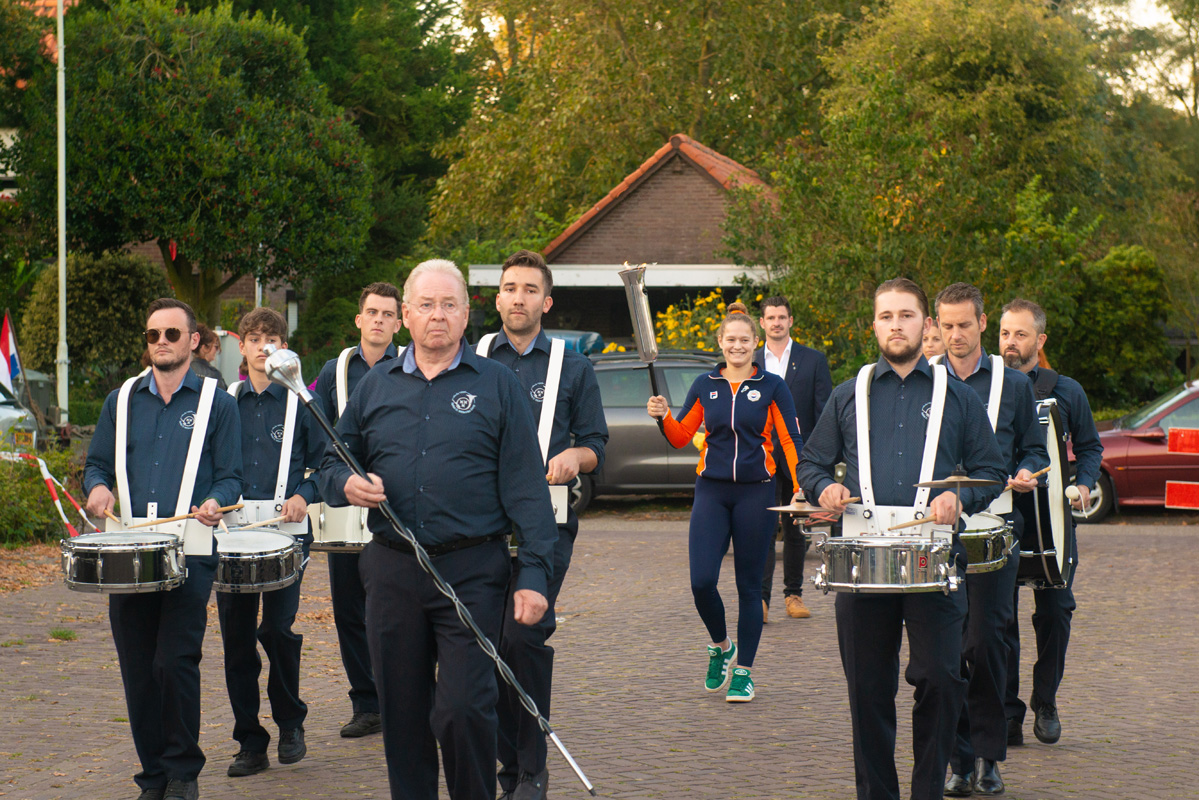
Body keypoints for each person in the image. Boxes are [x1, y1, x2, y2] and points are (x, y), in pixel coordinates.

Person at [318, 260, 558, 800]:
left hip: (472, 572)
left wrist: (534, 575)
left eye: (449, 305)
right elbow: (333, 460)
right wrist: (345, 484)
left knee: (464, 709)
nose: (437, 315)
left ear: (466, 314)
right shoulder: (375, 386)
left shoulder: (497, 385)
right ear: (406, 315)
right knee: (401, 712)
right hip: (392, 570)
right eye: (426, 305)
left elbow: (528, 489)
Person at [797, 278, 1006, 800]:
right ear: (874, 325)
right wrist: (824, 488)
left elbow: (991, 471)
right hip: (861, 565)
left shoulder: (957, 397)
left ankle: (927, 791)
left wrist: (959, 498)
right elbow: (811, 463)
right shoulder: (849, 393)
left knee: (941, 678)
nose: (896, 325)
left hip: (933, 560)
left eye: (907, 315)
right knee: (867, 690)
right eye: (886, 316)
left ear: (925, 324)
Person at [84, 298, 242, 800]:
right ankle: (152, 775)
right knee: (137, 670)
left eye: (172, 334)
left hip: (190, 551)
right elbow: (96, 465)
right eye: (153, 335)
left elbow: (231, 477)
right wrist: (98, 488)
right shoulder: (121, 401)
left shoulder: (220, 403)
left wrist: (216, 501)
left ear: (193, 340)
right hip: (128, 555)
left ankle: (182, 772)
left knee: (173, 662)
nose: (162, 342)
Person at [477, 249, 608, 800]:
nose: (519, 298)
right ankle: (504, 765)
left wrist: (575, 456)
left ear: (546, 303)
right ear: (497, 298)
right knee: (484, 644)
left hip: (546, 524)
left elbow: (596, 445)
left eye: (531, 290)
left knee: (523, 636)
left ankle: (531, 769)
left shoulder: (573, 367)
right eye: (510, 288)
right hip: (479, 524)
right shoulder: (471, 358)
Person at [647, 302, 803, 703]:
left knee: (750, 587)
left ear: (755, 342)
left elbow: (789, 440)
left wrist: (801, 485)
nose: (737, 346)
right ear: (720, 342)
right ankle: (720, 646)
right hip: (711, 492)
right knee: (701, 582)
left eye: (744, 340)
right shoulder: (705, 385)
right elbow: (681, 436)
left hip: (757, 492)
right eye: (730, 339)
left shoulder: (772, 386)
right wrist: (663, 416)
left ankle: (744, 672)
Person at [933, 284, 1048, 797]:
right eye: (946, 325)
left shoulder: (1014, 384)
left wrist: (1026, 470)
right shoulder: (923, 380)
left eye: (964, 324)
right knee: (945, 651)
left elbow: (1035, 449)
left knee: (985, 643)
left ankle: (988, 756)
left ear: (983, 323)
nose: (955, 335)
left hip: (995, 529)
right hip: (936, 532)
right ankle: (957, 760)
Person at [218, 308, 324, 777]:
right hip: (232, 534)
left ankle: (290, 722)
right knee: (237, 640)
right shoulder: (222, 404)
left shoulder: (302, 402)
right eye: (255, 338)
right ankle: (249, 741)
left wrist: (305, 494)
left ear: (284, 346)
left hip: (287, 535)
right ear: (241, 346)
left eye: (273, 338)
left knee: (278, 630)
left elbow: (326, 464)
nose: (264, 346)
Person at [998, 298, 1103, 747]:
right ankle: (1007, 712)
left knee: (1056, 612)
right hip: (1003, 516)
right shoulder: (988, 388)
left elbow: (1091, 447)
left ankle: (1045, 700)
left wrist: (1085, 483)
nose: (1010, 343)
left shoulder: (1067, 391)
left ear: (1039, 340)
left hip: (1055, 520)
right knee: (1000, 620)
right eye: (1004, 333)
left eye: (1020, 334)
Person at [311, 282, 403, 738]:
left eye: (388, 314)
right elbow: (318, 428)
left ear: (399, 323)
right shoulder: (336, 370)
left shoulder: (410, 364)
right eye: (373, 312)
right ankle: (367, 704)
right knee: (349, 609)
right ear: (359, 319)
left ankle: (403, 700)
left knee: (398, 608)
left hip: (395, 501)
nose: (379, 320)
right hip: (346, 503)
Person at [756, 295, 832, 621]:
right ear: (762, 322)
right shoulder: (749, 360)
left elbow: (824, 415)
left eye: (781, 317)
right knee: (762, 530)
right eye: (771, 317)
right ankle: (760, 600)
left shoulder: (813, 361)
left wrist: (818, 461)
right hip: (758, 459)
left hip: (799, 459)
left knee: (795, 530)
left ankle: (794, 595)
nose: (776, 323)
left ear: (790, 321)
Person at [190, 324, 227, 390]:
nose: (217, 350)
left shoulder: (184, 370)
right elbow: (224, 395)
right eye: (216, 346)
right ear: (204, 348)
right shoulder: (213, 374)